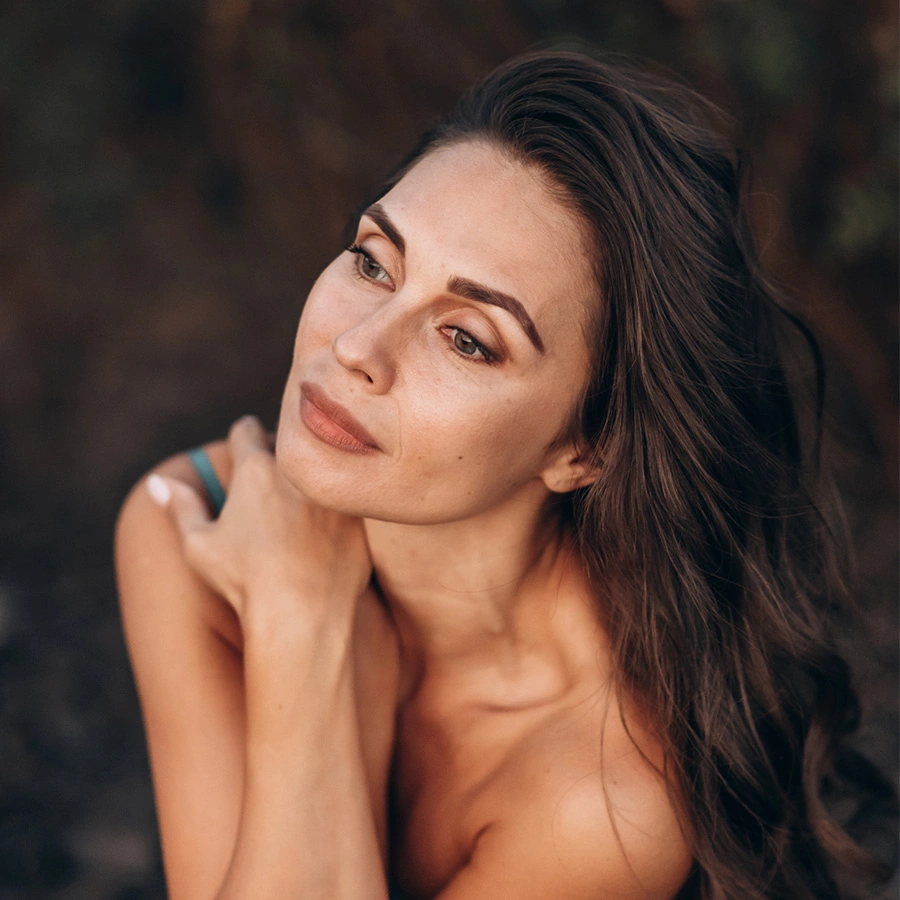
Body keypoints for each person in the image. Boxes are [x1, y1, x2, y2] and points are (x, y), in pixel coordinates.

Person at [114, 50, 891, 900]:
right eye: (374, 261)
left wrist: (305, 634)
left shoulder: (603, 792)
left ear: (583, 449)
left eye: (469, 339)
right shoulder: (193, 516)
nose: (356, 348)